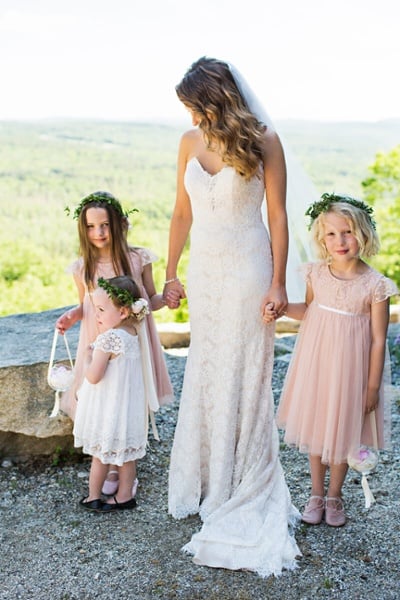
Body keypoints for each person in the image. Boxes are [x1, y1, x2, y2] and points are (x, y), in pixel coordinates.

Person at [164, 56, 300, 577]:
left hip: (248, 266)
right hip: (205, 271)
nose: (193, 116)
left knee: (244, 371)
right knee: (207, 366)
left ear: (215, 95)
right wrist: (171, 270)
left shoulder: (265, 140)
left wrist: (278, 281)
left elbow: (278, 214)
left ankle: (241, 478)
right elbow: (181, 211)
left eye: (196, 105)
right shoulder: (187, 142)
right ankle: (205, 476)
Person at [273, 193, 398, 527]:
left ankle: (335, 495)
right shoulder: (316, 274)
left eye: (348, 232)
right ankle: (316, 492)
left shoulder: (376, 285)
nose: (340, 241)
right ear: (321, 239)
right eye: (332, 234)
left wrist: (372, 386)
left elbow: (377, 339)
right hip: (317, 365)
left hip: (351, 371)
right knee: (317, 427)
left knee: (342, 431)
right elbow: (309, 311)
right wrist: (281, 309)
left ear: (364, 234)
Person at [56, 190, 174, 497]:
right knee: (102, 399)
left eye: (105, 225)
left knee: (127, 398)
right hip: (99, 342)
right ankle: (108, 462)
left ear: (119, 225)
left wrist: (168, 298)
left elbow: (149, 299)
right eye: (92, 227)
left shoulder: (137, 259)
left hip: (135, 343)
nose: (99, 233)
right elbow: (85, 305)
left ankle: (125, 462)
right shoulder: (83, 267)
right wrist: (71, 317)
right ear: (84, 229)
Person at [73, 276, 157, 512]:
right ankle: (124, 496)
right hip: (127, 408)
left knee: (100, 455)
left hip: (108, 409)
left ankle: (93, 496)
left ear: (122, 312)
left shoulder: (108, 339)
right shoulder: (132, 332)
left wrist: (89, 358)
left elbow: (93, 376)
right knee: (126, 456)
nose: (97, 315)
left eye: (101, 309)